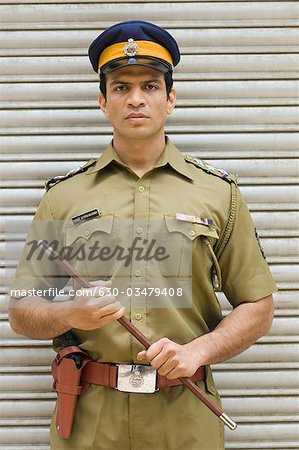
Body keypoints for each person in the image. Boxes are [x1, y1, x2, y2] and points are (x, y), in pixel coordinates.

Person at [8, 20, 277, 450]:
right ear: (103, 101)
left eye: (150, 86)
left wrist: (199, 351)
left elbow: (258, 305)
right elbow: (22, 312)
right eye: (120, 87)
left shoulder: (217, 193)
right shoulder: (63, 197)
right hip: (90, 421)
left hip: (185, 418)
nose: (136, 98)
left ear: (170, 99)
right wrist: (69, 315)